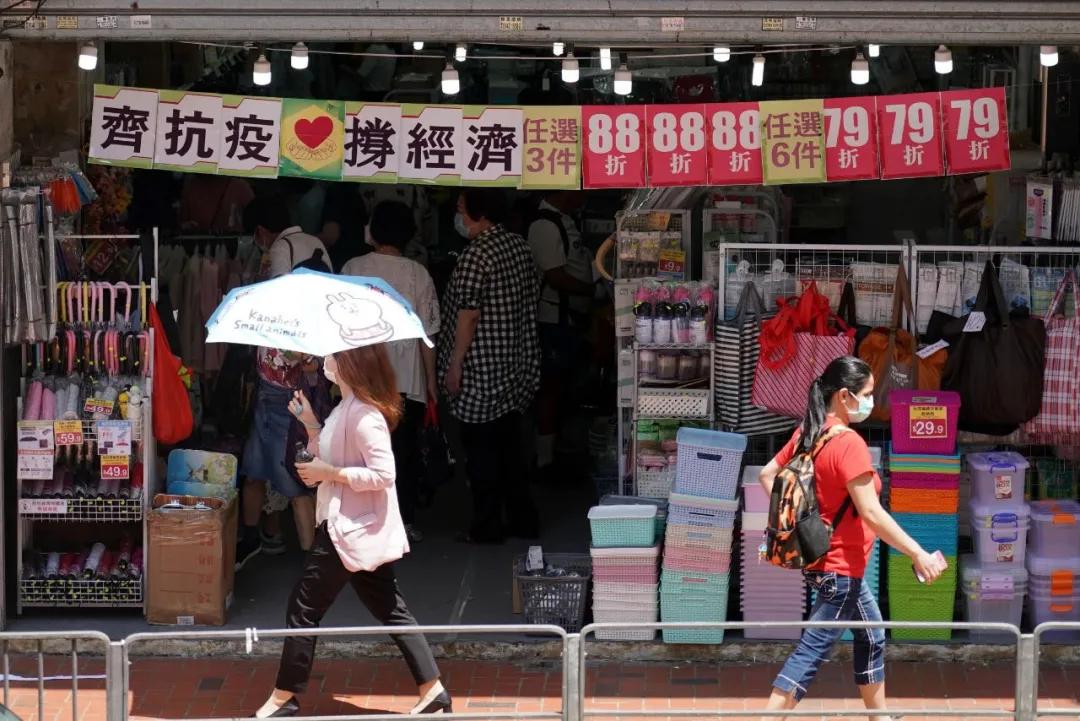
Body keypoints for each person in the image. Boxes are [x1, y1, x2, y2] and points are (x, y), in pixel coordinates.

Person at [254, 347, 450, 719]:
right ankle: (433, 689)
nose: (325, 361)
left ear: (349, 366)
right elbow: (330, 456)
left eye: (333, 356)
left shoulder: (364, 415)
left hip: (349, 529)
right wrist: (311, 423)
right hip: (350, 526)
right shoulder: (345, 409)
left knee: (303, 607)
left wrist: (331, 474)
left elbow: (383, 475)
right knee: (391, 608)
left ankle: (284, 697)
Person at [757, 356, 947, 721]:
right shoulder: (849, 444)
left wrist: (800, 525)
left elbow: (769, 475)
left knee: (872, 635)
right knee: (810, 653)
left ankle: (880, 716)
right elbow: (872, 513)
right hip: (841, 569)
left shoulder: (808, 432)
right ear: (844, 396)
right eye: (868, 394)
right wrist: (918, 553)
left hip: (828, 565)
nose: (872, 402)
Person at [439, 188, 541, 544]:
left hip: (480, 370)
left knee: (481, 455)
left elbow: (468, 315)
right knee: (512, 451)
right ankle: (523, 520)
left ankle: (486, 526)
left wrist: (454, 366)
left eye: (461, 209)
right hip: (515, 364)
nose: (458, 215)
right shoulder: (518, 247)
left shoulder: (475, 255)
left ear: (480, 214)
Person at [341, 201, 440, 542]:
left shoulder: (353, 267)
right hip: (405, 380)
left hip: (360, 377)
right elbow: (428, 335)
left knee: (360, 450)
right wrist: (431, 385)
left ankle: (363, 518)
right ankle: (402, 521)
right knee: (402, 453)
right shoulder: (418, 274)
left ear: (374, 230)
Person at [526, 190, 596, 476]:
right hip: (554, 319)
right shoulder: (544, 225)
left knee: (566, 386)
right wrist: (590, 289)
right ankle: (545, 459)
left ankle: (559, 448)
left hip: (572, 318)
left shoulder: (564, 220)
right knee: (551, 388)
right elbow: (555, 275)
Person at [243, 193, 333, 279]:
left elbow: (277, 288)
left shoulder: (279, 248)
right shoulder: (315, 240)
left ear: (260, 231)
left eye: (255, 236)